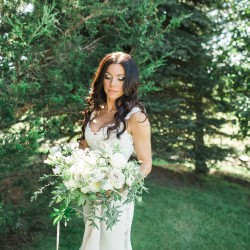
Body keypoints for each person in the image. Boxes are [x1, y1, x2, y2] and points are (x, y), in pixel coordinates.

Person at [78, 52, 152, 250]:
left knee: (113, 245)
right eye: (108, 77)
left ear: (129, 82)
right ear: (101, 79)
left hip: (116, 199)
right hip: (91, 192)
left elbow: (146, 164)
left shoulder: (136, 118)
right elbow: (84, 145)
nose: (113, 84)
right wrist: (76, 171)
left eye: (120, 79)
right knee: (91, 241)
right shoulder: (94, 110)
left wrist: (120, 188)